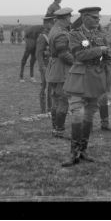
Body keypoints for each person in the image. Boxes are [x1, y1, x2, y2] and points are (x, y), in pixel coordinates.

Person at [61, 7, 111, 166]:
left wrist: (106, 79)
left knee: (89, 115)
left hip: (96, 79)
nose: (98, 20)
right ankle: (73, 152)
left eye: (99, 17)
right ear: (84, 18)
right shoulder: (75, 34)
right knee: (78, 114)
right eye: (94, 17)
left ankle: (83, 150)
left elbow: (109, 59)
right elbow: (80, 55)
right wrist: (100, 50)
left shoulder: (102, 35)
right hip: (80, 78)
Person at [46, 8, 74, 137]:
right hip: (61, 69)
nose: (70, 20)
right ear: (64, 18)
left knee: (55, 99)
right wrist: (76, 62)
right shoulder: (61, 33)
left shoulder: (54, 29)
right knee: (62, 99)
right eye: (69, 17)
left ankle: (55, 128)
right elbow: (63, 54)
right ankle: (59, 129)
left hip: (54, 68)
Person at [35, 15, 55, 114]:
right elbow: (38, 53)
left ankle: (50, 108)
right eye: (51, 23)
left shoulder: (51, 35)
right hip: (45, 65)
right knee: (44, 86)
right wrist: (42, 66)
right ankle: (43, 109)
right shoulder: (42, 37)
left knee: (51, 86)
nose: (52, 25)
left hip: (52, 64)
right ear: (46, 24)